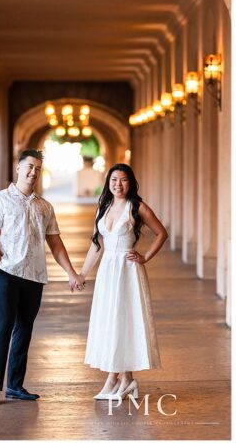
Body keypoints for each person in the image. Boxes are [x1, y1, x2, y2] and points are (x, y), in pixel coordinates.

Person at [0, 149, 85, 405]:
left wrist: (72, 273)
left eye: (37, 168)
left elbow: (56, 244)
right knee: (2, 329)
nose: (33, 172)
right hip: (7, 273)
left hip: (35, 276)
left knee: (24, 330)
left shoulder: (44, 207)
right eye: (29, 167)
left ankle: (15, 385)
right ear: (18, 168)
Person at [79, 163, 165, 401]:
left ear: (131, 182)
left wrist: (145, 256)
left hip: (127, 270)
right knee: (113, 322)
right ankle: (126, 379)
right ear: (108, 182)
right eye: (114, 179)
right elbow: (97, 246)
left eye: (124, 180)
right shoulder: (103, 208)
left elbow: (161, 233)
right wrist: (82, 274)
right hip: (107, 271)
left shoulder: (137, 207)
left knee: (123, 320)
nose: (118, 184)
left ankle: (112, 379)